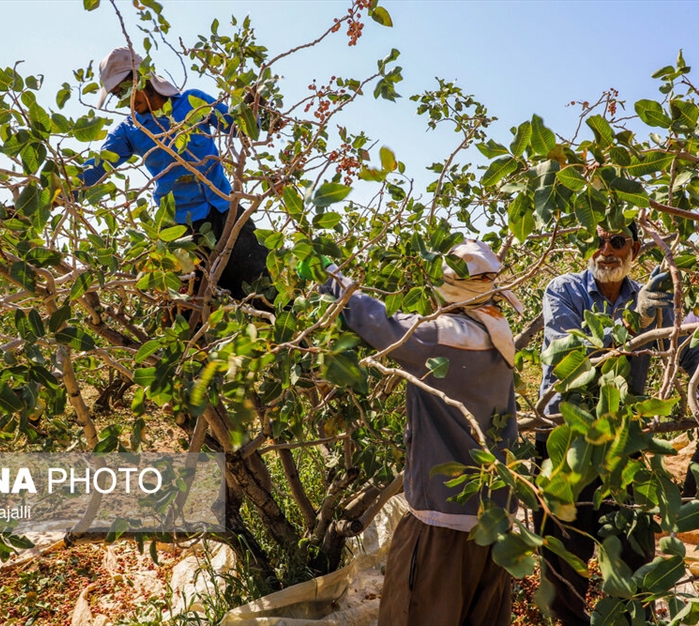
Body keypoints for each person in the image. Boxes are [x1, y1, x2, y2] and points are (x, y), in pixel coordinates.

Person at [536, 223, 699, 625]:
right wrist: (636, 322)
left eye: (616, 242)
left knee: (635, 557)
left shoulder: (653, 296)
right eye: (598, 242)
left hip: (624, 439)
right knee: (564, 560)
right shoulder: (562, 289)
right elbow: (572, 354)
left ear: (634, 248)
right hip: (566, 439)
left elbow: (689, 347)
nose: (606, 251)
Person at [312, 240, 522, 625]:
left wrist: (331, 278)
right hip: (496, 519)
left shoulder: (443, 337)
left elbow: (375, 321)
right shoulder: (498, 334)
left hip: (442, 523)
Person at [79, 46, 270, 303]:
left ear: (143, 77)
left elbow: (241, 129)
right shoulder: (128, 131)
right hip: (179, 233)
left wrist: (253, 111)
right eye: (116, 95)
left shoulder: (194, 102)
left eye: (124, 90)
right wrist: (54, 193)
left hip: (227, 213)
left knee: (263, 291)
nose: (124, 101)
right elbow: (96, 170)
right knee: (191, 311)